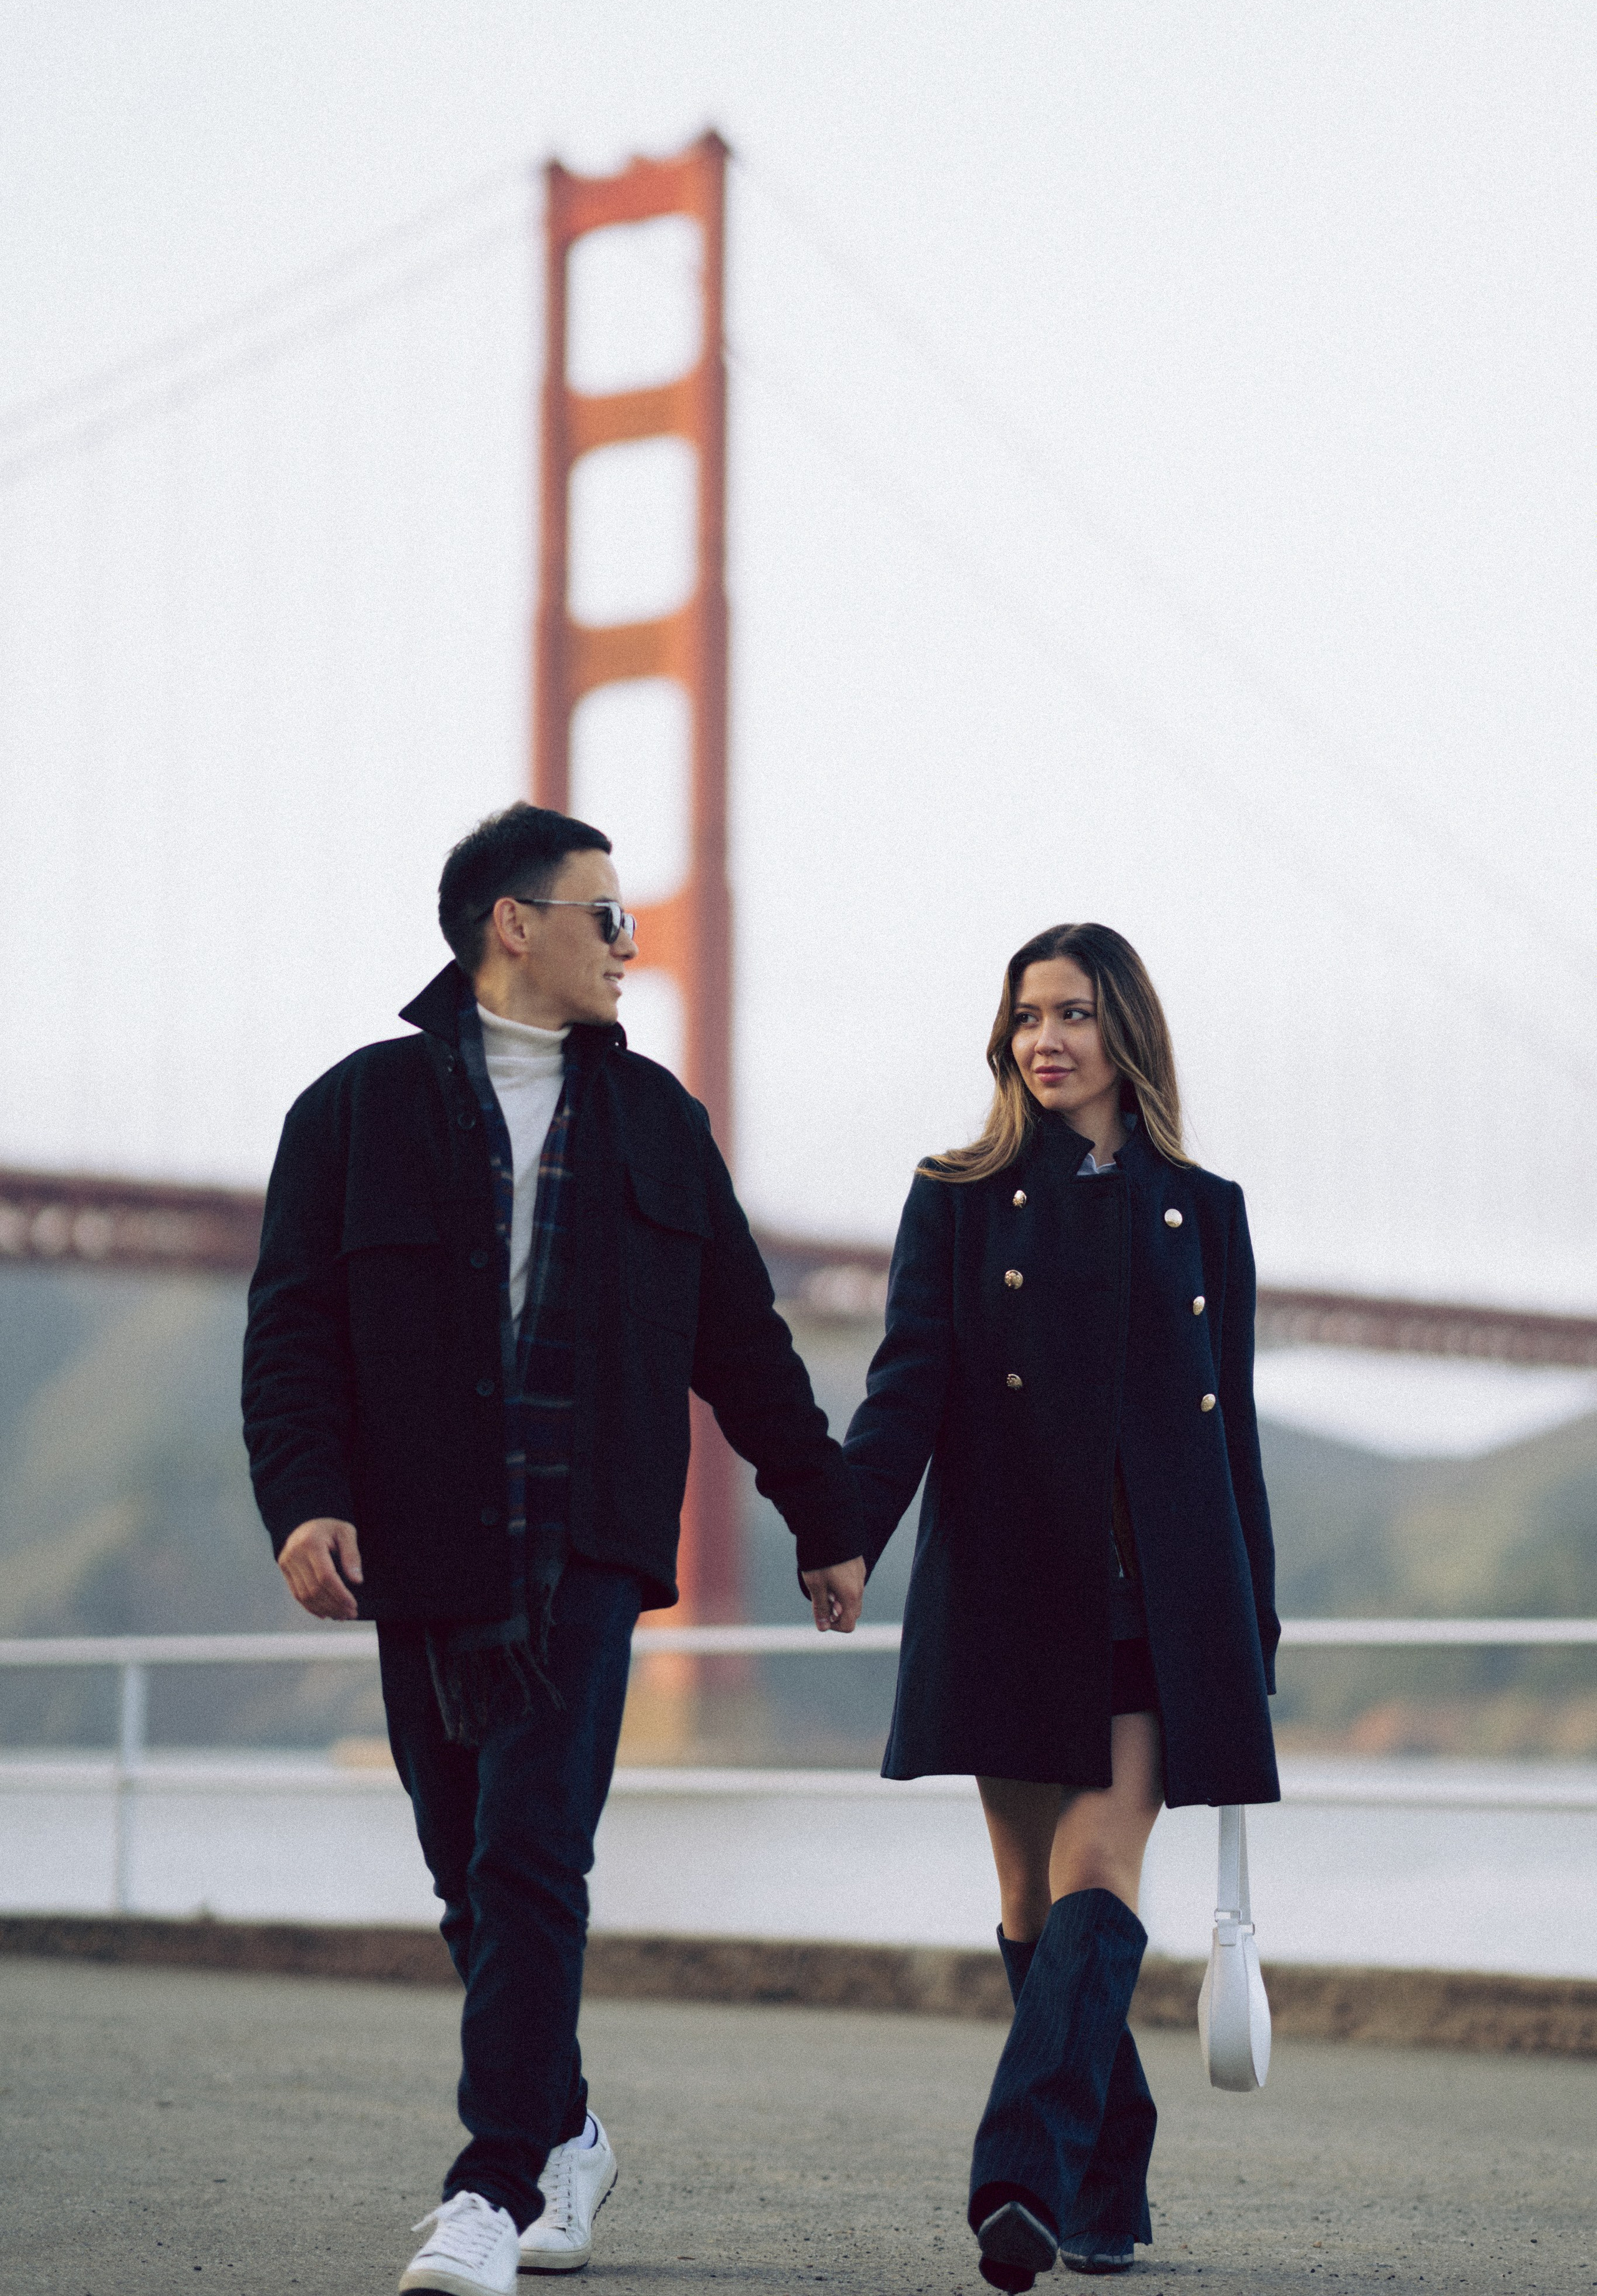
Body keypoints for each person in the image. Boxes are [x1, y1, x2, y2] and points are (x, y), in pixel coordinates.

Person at [242, 803, 866, 2296]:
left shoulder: (659, 1122)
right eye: (605, 917)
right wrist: (304, 1497)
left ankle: (488, 2182)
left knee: (531, 1854)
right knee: (467, 1870)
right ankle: (567, 2128)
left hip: (584, 1545)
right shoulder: (351, 1112)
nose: (628, 945)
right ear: (510, 924)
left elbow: (741, 1338)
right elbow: (293, 1334)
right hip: (424, 1542)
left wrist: (823, 1515)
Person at [843, 922, 1279, 2285]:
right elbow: (907, 1381)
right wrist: (846, 1531)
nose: (1045, 1039)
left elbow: (1232, 1434)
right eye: (1026, 1014)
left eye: (1074, 1014)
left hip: (1159, 1602)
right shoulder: (957, 1194)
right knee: (1030, 1902)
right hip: (1009, 1588)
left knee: (1099, 1872)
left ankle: (1015, 2178)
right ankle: (1108, 2181)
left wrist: (1246, 1622)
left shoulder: (1202, 1208)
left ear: (1124, 1034)